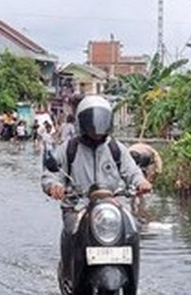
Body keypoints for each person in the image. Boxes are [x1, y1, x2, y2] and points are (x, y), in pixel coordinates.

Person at [41, 96, 152, 266]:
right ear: (83, 122)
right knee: (71, 231)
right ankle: (68, 269)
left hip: (112, 206)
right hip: (78, 206)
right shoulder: (69, 148)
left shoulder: (116, 149)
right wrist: (54, 186)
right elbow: (51, 173)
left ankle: (130, 276)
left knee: (132, 232)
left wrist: (140, 182)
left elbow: (132, 171)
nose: (96, 130)